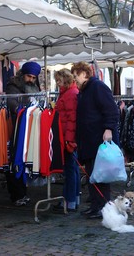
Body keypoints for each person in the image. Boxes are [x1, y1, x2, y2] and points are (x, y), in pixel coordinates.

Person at [71, 61, 120, 219]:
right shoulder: (84, 91)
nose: (74, 79)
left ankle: (102, 207)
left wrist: (108, 128)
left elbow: (111, 109)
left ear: (84, 73)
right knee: (92, 174)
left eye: (76, 75)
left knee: (101, 175)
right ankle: (95, 205)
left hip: (97, 139)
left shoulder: (97, 87)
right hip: (88, 141)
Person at [5, 61, 41, 206]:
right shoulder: (13, 85)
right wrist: (23, 111)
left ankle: (23, 192)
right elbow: (12, 103)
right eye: (29, 76)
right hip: (16, 125)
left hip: (31, 124)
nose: (31, 79)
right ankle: (17, 194)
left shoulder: (34, 86)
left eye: (33, 77)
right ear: (23, 74)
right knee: (15, 158)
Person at [52, 68, 80, 212]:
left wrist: (69, 140)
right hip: (67, 138)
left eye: (59, 80)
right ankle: (73, 199)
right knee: (72, 169)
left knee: (70, 170)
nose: (57, 83)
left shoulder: (70, 94)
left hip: (67, 139)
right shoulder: (69, 93)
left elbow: (71, 120)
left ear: (66, 79)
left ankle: (69, 201)